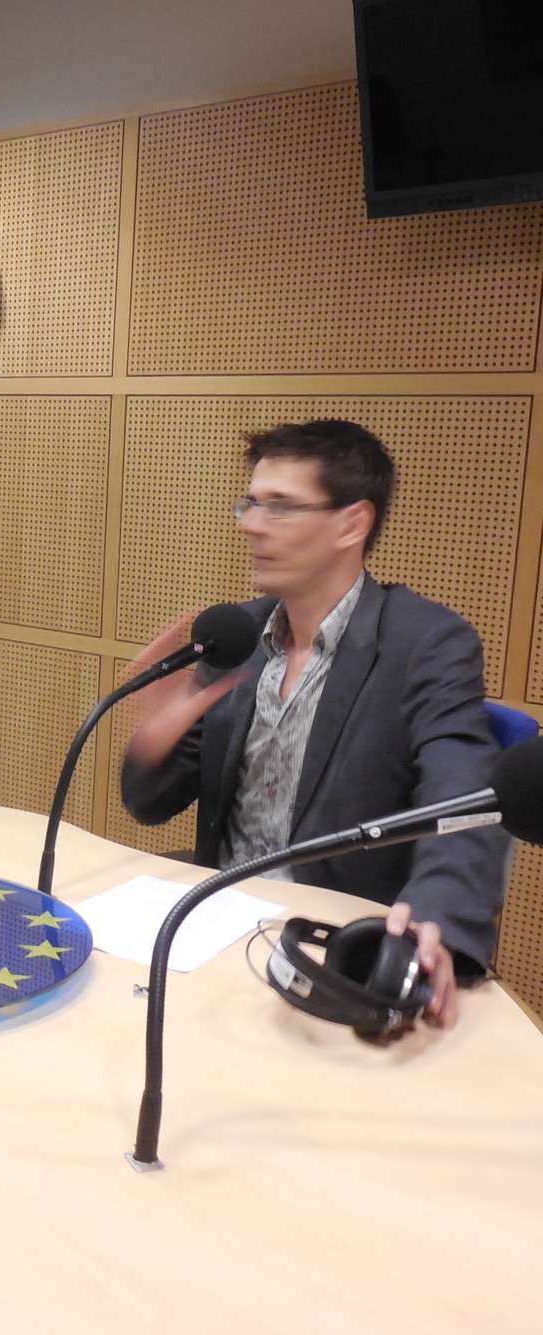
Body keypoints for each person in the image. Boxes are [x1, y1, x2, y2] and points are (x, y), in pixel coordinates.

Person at [121, 419, 506, 1030]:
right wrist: (152, 743)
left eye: (280, 506)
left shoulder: (426, 644)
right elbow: (151, 805)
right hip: (217, 930)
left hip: (330, 947)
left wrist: (433, 914)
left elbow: (463, 798)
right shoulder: (238, 636)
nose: (250, 524)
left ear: (352, 524)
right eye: (250, 503)